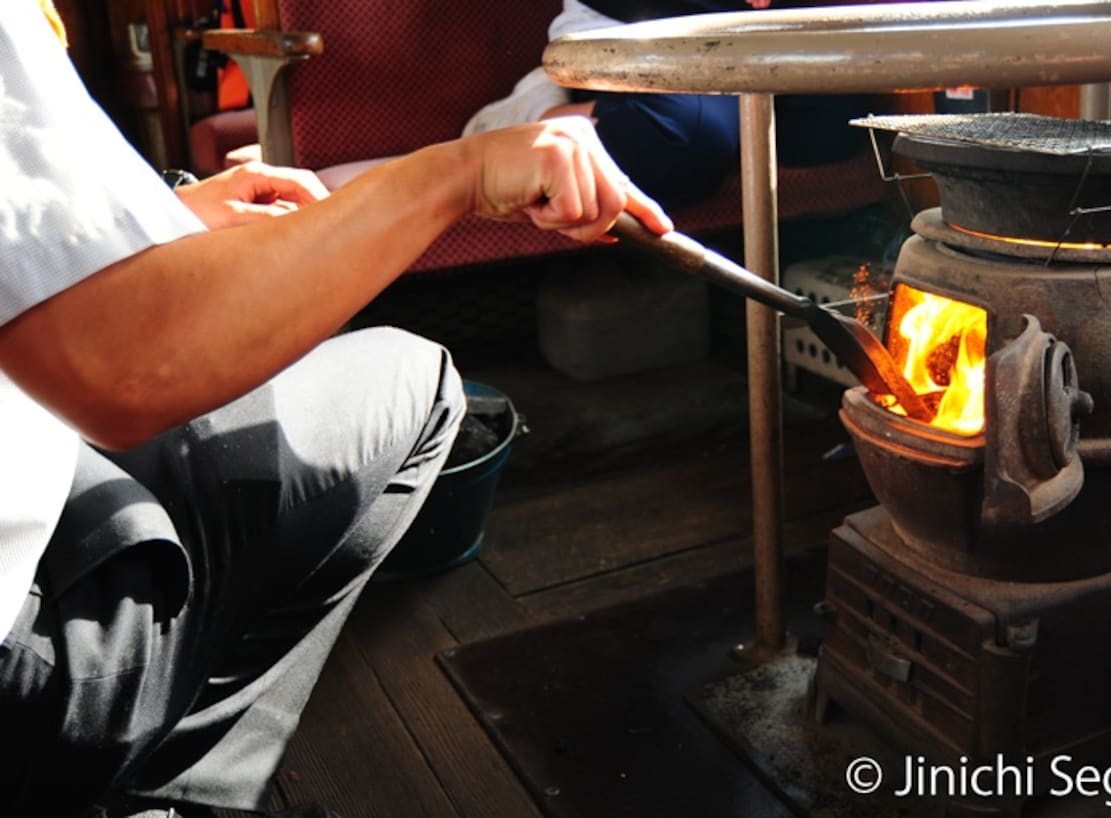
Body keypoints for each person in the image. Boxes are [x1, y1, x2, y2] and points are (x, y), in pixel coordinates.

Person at [0, 1, 671, 816]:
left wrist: (161, 224)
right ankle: (178, 792)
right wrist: (458, 170)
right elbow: (130, 371)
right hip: (25, 659)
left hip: (45, 498)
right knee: (416, 381)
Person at [464, 0, 870, 209]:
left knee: (829, 135)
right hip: (638, 26)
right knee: (690, 139)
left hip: (764, 29)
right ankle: (529, 120)